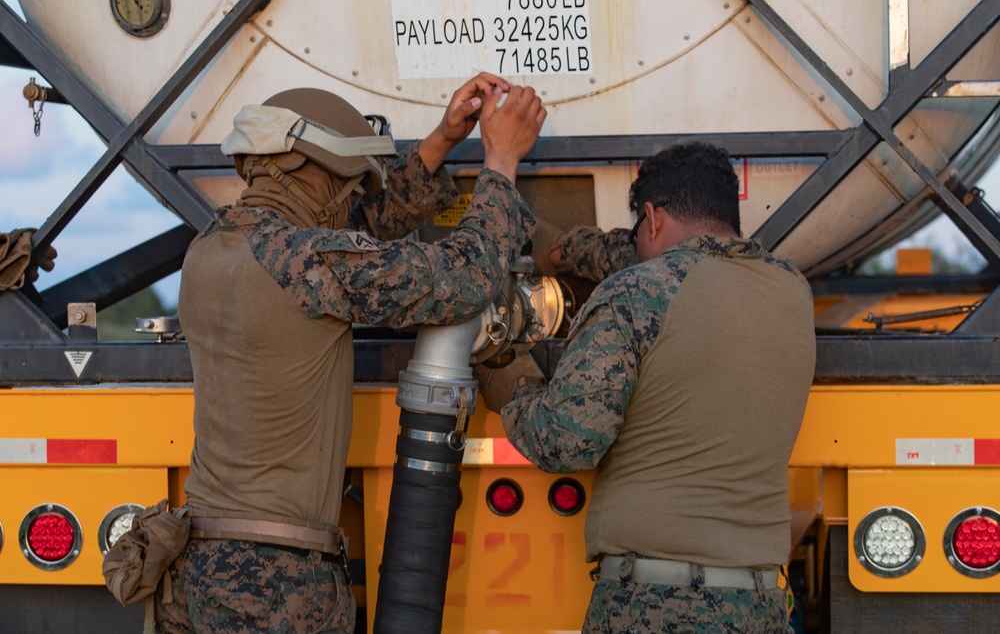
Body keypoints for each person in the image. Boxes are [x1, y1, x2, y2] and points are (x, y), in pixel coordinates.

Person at [158, 73, 546, 633]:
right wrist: (501, 160)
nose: (354, 200)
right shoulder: (310, 262)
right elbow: (465, 276)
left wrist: (441, 139)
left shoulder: (215, 245)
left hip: (197, 566)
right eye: (350, 184)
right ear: (312, 172)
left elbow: (353, 233)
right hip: (274, 583)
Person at [474, 142, 816, 633]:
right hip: (761, 605)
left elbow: (564, 441)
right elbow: (688, 265)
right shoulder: (791, 290)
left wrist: (507, 374)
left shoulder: (635, 294)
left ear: (652, 218)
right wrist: (563, 247)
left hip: (659, 608)